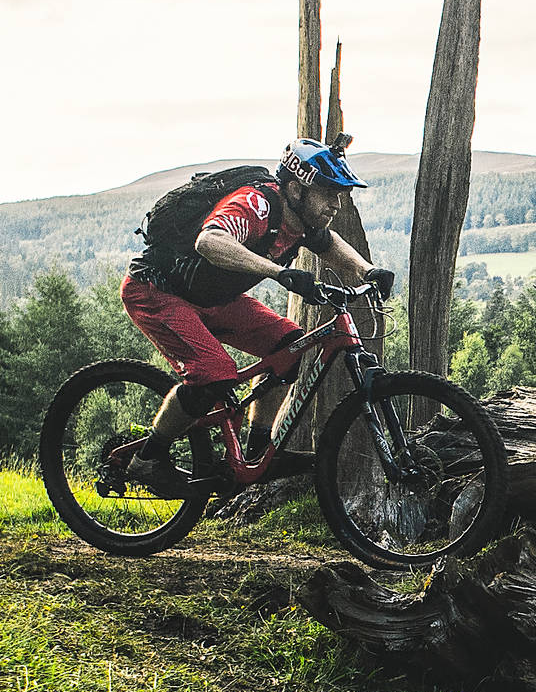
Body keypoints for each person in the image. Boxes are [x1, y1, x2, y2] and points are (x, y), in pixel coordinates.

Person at [116, 136, 391, 493]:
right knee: (214, 374)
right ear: (295, 189)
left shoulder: (302, 221)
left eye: (339, 195)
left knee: (289, 347)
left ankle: (259, 450)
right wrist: (279, 273)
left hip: (212, 297)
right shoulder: (256, 204)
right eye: (328, 193)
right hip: (157, 289)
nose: (336, 204)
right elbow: (210, 241)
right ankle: (147, 459)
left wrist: (368, 271)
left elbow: (329, 243)